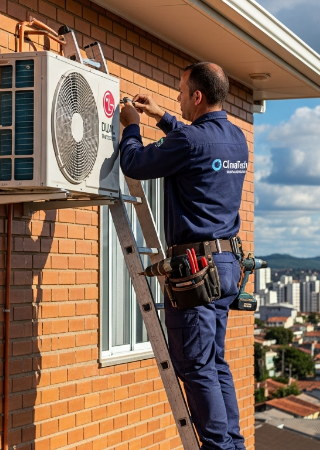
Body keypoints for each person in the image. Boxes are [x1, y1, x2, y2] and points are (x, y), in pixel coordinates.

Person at [118, 62, 248, 450]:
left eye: (179, 91)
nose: (176, 96)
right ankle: (232, 445)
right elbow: (195, 143)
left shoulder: (191, 143)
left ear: (197, 95)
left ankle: (218, 447)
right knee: (216, 363)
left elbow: (135, 163)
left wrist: (130, 126)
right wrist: (162, 115)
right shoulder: (236, 138)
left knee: (195, 366)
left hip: (195, 271)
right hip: (226, 266)